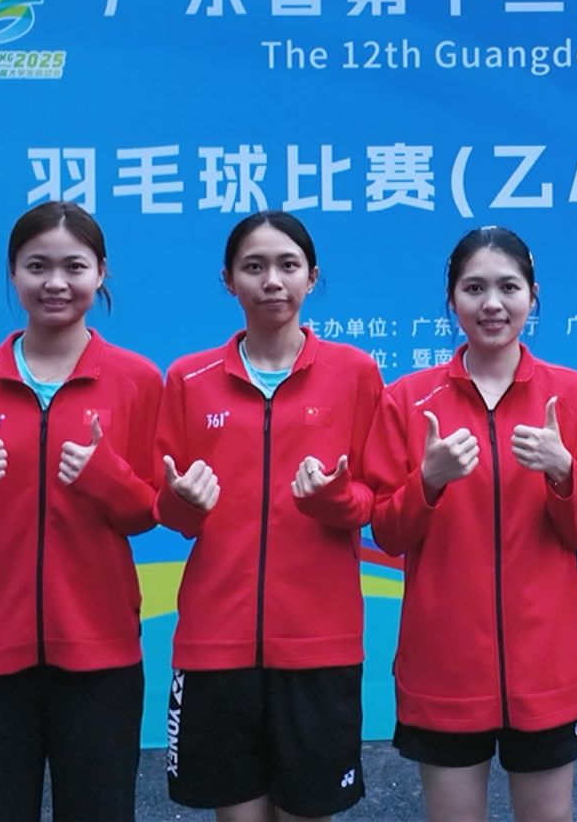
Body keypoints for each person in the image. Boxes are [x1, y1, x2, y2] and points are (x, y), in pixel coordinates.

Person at [0, 201, 161, 821]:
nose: (55, 283)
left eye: (74, 266)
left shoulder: (137, 380)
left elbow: (149, 512)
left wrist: (105, 477)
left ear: (101, 272)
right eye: (37, 266)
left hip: (100, 652)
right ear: (13, 273)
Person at [366, 226, 577, 822]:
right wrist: (428, 481)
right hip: (443, 665)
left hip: (547, 665)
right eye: (474, 288)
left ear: (534, 295)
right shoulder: (408, 399)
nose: (492, 304)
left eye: (509, 287)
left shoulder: (574, 395)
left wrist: (563, 472)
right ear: (451, 299)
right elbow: (388, 533)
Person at [155, 211, 385, 821]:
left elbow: (375, 498)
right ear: (229, 280)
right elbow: (166, 506)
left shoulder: (355, 373)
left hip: (319, 643)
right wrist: (184, 501)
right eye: (253, 267)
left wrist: (333, 499)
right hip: (215, 643)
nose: (272, 281)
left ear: (313, 276)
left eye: (288, 265)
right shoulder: (189, 378)